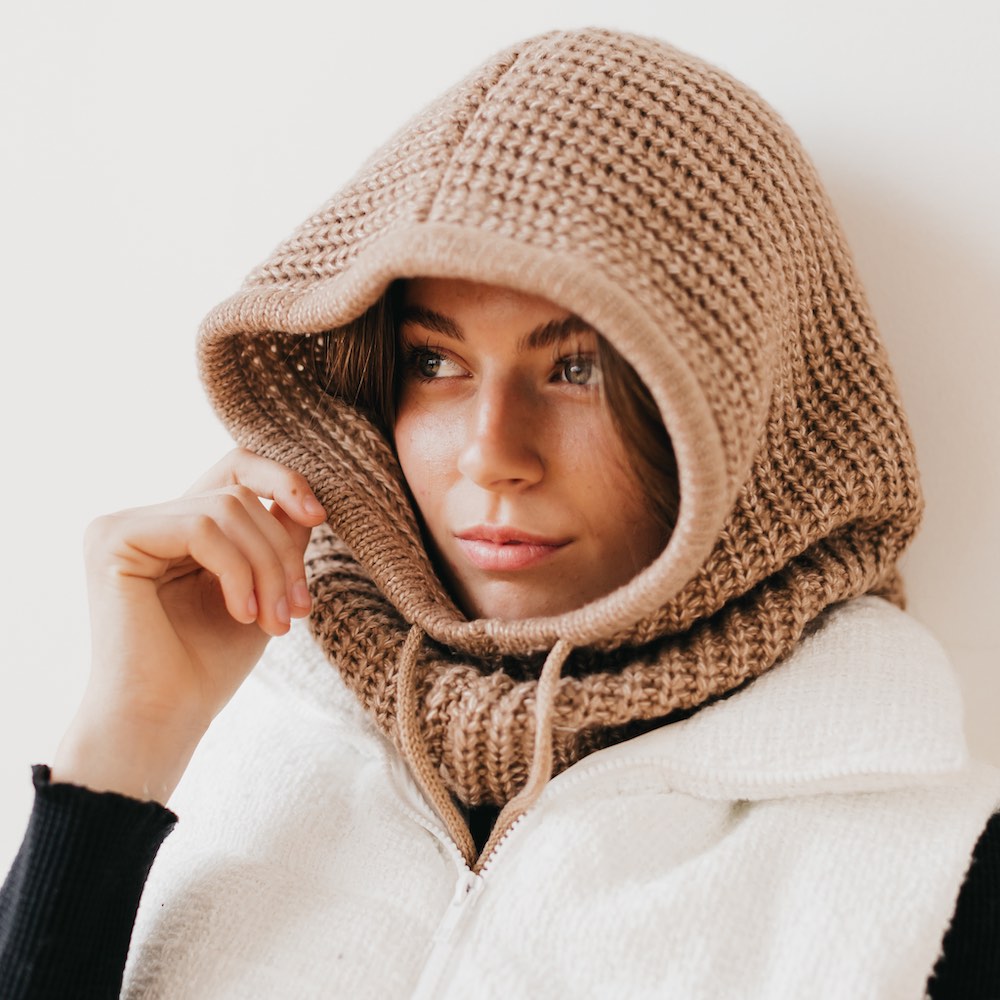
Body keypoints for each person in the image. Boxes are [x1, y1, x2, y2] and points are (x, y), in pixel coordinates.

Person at [1, 26, 998, 1000]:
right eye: (434, 361)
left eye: (577, 368)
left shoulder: (942, 875)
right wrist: (126, 743)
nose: (491, 455)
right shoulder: (238, 733)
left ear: (743, 403)